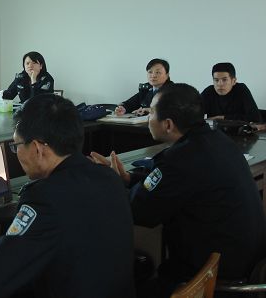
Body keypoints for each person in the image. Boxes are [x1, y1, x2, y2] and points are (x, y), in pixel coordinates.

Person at [0, 94, 135, 298]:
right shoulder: (108, 177)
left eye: (16, 145)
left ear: (37, 148)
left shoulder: (43, 197)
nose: (16, 152)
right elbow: (55, 229)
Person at [90, 84, 266, 298]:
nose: (148, 117)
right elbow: (172, 185)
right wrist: (128, 178)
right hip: (245, 262)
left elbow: (139, 210)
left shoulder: (181, 159)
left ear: (168, 124)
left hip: (212, 280)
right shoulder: (217, 140)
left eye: (151, 112)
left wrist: (109, 181)